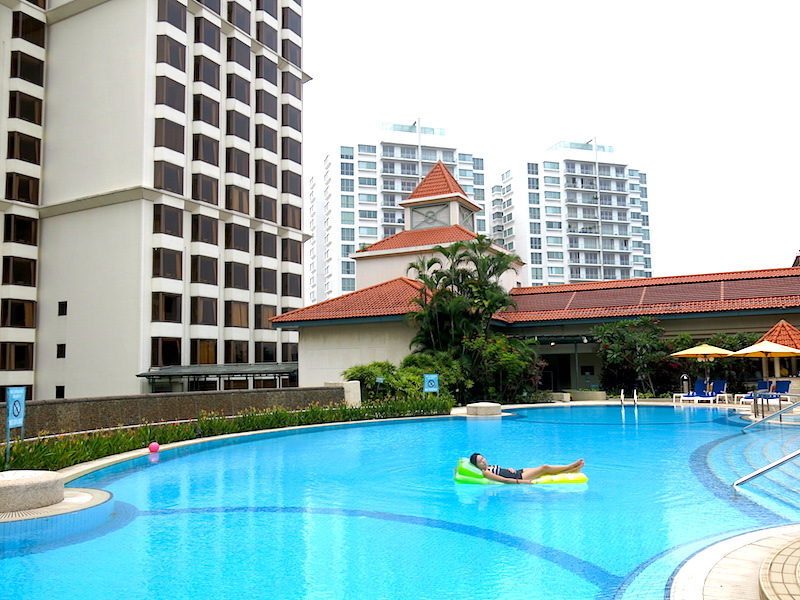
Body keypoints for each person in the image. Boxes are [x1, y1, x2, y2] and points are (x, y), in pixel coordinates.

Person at [469, 453, 584, 484]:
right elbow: (503, 480)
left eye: (483, 458)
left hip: (518, 471)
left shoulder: (489, 466)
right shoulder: (485, 472)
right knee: (545, 468)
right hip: (520, 476)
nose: (483, 461)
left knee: (546, 470)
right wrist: (522, 481)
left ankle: (571, 471)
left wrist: (509, 468)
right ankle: (571, 466)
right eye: (480, 461)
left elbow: (502, 471)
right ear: (477, 466)